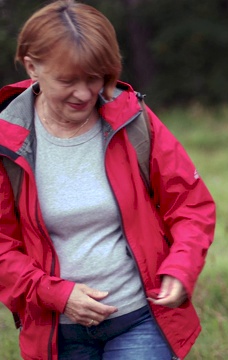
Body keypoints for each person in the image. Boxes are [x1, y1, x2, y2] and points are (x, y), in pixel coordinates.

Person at [0, 1, 216, 359]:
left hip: (140, 318)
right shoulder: (7, 140)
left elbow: (190, 203)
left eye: (95, 77)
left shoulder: (132, 119)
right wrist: (57, 295)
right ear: (32, 66)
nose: (84, 93)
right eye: (68, 80)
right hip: (56, 333)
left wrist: (181, 267)